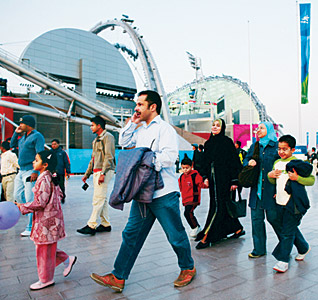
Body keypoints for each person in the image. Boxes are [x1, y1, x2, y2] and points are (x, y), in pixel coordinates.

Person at [90, 90, 195, 292]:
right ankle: (118, 276)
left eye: (140, 104)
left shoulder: (165, 129)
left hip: (163, 192)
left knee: (175, 235)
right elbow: (124, 141)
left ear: (152, 106)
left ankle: (187, 267)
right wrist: (132, 122)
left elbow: (170, 157)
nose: (136, 108)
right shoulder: (140, 130)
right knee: (131, 234)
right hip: (142, 192)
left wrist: (145, 161)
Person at [16, 150, 77, 290]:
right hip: (52, 220)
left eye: (36, 160)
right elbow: (59, 195)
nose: (33, 162)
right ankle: (67, 259)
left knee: (43, 251)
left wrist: (22, 206)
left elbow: (40, 203)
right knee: (47, 248)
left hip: (46, 222)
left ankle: (45, 279)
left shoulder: (43, 179)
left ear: (45, 165)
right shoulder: (50, 176)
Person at [195, 119, 245, 249]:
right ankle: (237, 228)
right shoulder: (208, 143)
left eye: (218, 125)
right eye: (213, 125)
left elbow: (234, 162)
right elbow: (205, 163)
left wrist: (235, 180)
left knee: (219, 206)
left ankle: (208, 236)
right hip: (213, 181)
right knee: (221, 205)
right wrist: (205, 177)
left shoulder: (227, 142)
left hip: (225, 180)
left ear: (222, 128)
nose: (215, 127)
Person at [268, 135, 314, 272]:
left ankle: (283, 260)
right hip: (279, 202)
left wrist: (297, 177)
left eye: (285, 149)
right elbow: (275, 182)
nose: (281, 152)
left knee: (287, 232)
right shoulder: (276, 163)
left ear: (292, 150)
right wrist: (270, 176)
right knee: (289, 229)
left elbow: (311, 180)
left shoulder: (297, 162)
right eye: (279, 149)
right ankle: (303, 247)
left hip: (293, 204)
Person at [243, 122, 280, 258]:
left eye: (262, 128)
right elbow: (245, 159)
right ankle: (259, 249)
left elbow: (283, 166)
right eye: (257, 128)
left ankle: (286, 245)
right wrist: (248, 163)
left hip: (271, 190)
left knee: (275, 219)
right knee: (256, 220)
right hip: (256, 191)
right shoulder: (255, 146)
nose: (258, 130)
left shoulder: (276, 147)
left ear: (269, 130)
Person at [77, 116, 116, 235]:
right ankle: (105, 224)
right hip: (96, 171)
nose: (91, 127)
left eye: (92, 125)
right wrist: (87, 174)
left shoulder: (108, 137)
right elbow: (93, 159)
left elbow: (109, 156)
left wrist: (103, 173)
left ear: (99, 126)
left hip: (104, 171)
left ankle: (91, 225)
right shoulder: (95, 140)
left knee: (98, 198)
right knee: (102, 198)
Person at [10, 115, 45, 236]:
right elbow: (12, 145)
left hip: (31, 170)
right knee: (17, 195)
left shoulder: (37, 136)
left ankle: (31, 227)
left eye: (22, 123)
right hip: (21, 170)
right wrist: (16, 133)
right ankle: (35, 212)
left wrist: (36, 171)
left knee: (30, 198)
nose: (19, 125)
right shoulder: (23, 137)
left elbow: (40, 153)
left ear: (28, 124)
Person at [178, 155, 206, 238]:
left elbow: (201, 184)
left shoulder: (195, 175)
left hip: (193, 198)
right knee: (189, 213)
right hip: (186, 199)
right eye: (183, 168)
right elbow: (180, 188)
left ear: (191, 167)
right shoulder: (181, 177)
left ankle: (195, 227)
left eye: (187, 168)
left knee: (187, 213)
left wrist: (206, 184)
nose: (185, 170)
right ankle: (197, 227)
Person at [50, 139, 71, 204]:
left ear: (58, 144)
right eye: (52, 144)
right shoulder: (50, 152)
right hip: (52, 172)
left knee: (61, 185)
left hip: (60, 172)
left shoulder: (62, 153)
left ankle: (62, 197)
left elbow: (66, 162)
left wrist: (68, 171)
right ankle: (53, 199)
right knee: (52, 186)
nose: (53, 145)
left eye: (55, 144)